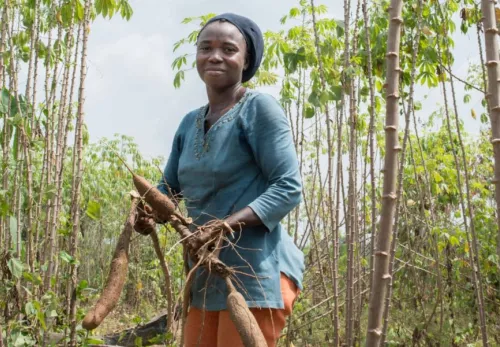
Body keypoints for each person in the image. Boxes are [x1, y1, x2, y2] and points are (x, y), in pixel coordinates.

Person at [136, 13, 304, 347]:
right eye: (206, 48)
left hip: (255, 274)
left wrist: (226, 224)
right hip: (203, 274)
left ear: (246, 60)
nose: (215, 56)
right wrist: (147, 214)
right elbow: (168, 189)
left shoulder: (259, 109)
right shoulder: (188, 124)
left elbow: (288, 187)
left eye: (228, 49)